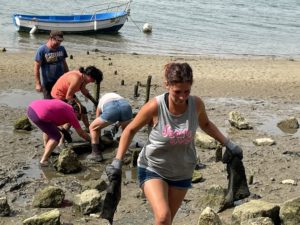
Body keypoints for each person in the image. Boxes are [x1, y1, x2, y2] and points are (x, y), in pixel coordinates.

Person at [106, 63, 243, 225]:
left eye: (187, 92)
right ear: (167, 85)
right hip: (152, 168)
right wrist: (117, 161)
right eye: (177, 92)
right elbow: (129, 130)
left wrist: (229, 144)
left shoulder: (196, 104)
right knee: (163, 217)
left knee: (167, 220)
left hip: (182, 171)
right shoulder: (155, 106)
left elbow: (206, 124)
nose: (182, 97)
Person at [27, 99, 90, 166]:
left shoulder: (63, 105)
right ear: (76, 111)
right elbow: (81, 133)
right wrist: (91, 140)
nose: (78, 118)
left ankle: (47, 148)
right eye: (79, 115)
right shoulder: (71, 114)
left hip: (31, 108)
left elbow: (52, 116)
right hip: (40, 115)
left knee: (48, 128)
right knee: (56, 136)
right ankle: (44, 160)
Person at [51, 66, 103, 130]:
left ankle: (89, 128)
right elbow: (68, 96)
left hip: (67, 93)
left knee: (83, 110)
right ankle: (64, 133)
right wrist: (78, 108)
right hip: (59, 95)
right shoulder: (76, 79)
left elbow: (83, 90)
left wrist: (94, 101)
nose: (93, 82)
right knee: (74, 114)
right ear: (89, 76)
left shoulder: (83, 77)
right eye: (93, 80)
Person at [88, 92, 133, 162]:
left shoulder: (101, 102)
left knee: (92, 127)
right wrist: (117, 125)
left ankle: (96, 154)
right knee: (125, 131)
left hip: (111, 108)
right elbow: (120, 114)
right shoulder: (118, 97)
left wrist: (98, 139)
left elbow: (97, 125)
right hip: (126, 107)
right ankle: (123, 152)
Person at [34, 30, 69, 99]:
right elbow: (36, 68)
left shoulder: (62, 49)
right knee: (49, 104)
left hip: (60, 81)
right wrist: (38, 84)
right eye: (57, 41)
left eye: (60, 41)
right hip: (48, 83)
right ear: (51, 38)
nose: (59, 43)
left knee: (61, 102)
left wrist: (67, 78)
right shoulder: (42, 50)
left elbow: (64, 64)